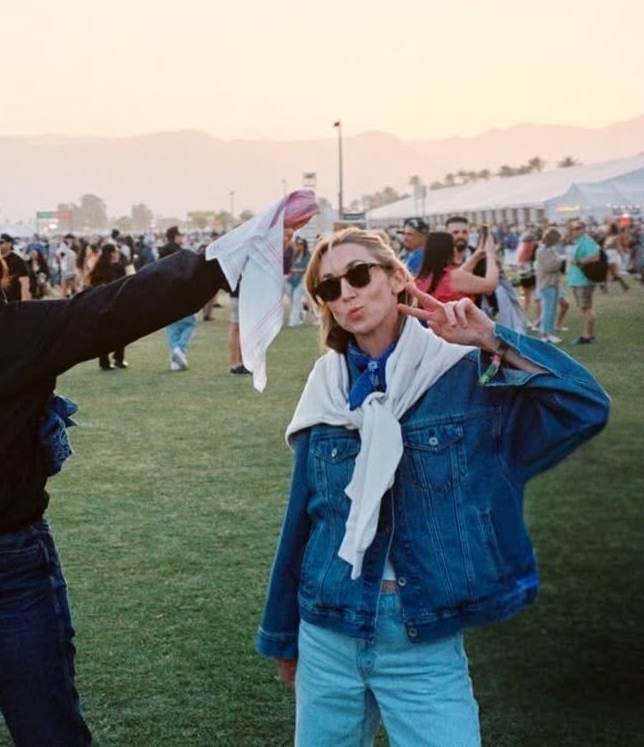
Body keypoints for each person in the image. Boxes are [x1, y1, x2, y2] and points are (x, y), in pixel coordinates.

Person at [0, 199, 317, 746]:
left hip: (9, 569)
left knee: (49, 733)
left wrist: (239, 243)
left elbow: (127, 303)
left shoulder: (28, 330)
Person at [254, 227, 609, 747]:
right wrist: (283, 632)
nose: (347, 294)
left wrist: (491, 340)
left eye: (358, 275)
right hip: (328, 629)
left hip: (420, 634)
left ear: (397, 278)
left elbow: (583, 407)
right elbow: (303, 518)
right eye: (330, 288)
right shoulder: (326, 386)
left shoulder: (461, 377)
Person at [415, 230, 498, 304]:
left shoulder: (423, 277)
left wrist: (476, 256)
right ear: (449, 250)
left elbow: (456, 275)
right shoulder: (454, 277)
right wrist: (490, 253)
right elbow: (490, 286)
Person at [159, 225, 197, 370]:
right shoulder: (182, 254)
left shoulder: (161, 252)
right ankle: (179, 349)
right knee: (189, 324)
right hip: (182, 293)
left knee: (172, 327)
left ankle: (175, 359)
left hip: (166, 293)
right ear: (175, 236)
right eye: (180, 235)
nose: (182, 237)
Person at [86, 242, 128, 369]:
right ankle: (118, 359)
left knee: (103, 333)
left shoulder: (98, 266)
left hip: (100, 303)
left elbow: (91, 284)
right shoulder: (118, 267)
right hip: (116, 302)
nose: (117, 253)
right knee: (121, 333)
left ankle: (104, 362)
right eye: (115, 251)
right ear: (111, 253)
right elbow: (125, 284)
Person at [565, 220, 602, 345]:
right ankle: (589, 335)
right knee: (585, 308)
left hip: (584, 280)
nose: (574, 231)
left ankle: (587, 336)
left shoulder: (587, 241)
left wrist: (580, 261)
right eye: (572, 228)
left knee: (587, 308)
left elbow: (596, 257)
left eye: (577, 228)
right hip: (578, 279)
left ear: (583, 229)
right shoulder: (579, 241)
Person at [534, 227, 565, 344]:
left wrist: (559, 260)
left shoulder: (551, 250)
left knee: (553, 310)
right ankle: (544, 334)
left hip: (554, 283)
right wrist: (561, 260)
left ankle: (550, 333)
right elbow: (549, 266)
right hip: (546, 284)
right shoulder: (541, 251)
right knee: (547, 310)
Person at [0, 234, 30, 303]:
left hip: (13, 300)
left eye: (1, 242)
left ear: (10, 244)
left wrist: (24, 302)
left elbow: (24, 282)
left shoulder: (18, 261)